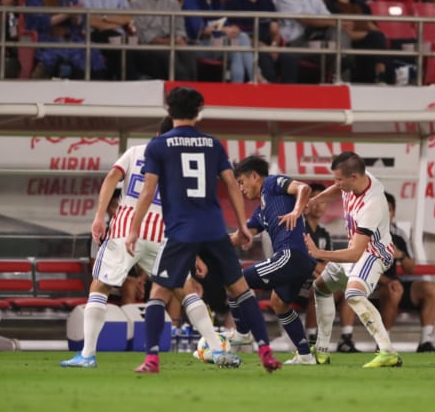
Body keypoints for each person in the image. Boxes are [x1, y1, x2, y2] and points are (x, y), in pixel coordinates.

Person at [125, 87, 281, 373]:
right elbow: (231, 184)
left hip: (181, 230)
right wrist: (242, 225)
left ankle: (152, 358)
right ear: (199, 112)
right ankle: (266, 352)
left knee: (159, 291)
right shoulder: (213, 144)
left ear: (168, 110)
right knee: (240, 290)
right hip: (214, 228)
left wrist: (134, 229)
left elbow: (148, 191)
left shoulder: (157, 146)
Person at [61, 117, 235, 369]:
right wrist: (194, 253)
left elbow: (112, 177)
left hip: (125, 229)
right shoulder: (182, 163)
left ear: (157, 134)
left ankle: (87, 355)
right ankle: (217, 350)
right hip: (163, 234)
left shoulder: (136, 152)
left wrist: (99, 216)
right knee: (185, 291)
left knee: (100, 287)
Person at [304, 151, 402, 368]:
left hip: (374, 254)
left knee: (354, 294)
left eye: (339, 180)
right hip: (356, 250)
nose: (336, 184)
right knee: (320, 288)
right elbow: (337, 189)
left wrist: (319, 253)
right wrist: (315, 200)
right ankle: (321, 351)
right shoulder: (357, 180)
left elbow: (356, 254)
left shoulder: (372, 204)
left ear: (354, 177)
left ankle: (387, 352)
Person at [230, 155, 316, 364]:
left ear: (254, 176)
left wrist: (296, 212)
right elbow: (240, 236)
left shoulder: (272, 183)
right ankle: (305, 355)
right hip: (299, 262)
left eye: (241, 182)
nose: (241, 189)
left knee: (235, 282)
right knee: (279, 303)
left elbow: (304, 188)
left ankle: (242, 333)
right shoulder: (261, 211)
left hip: (290, 255)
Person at [376, 192, 435, 353]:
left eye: (388, 210)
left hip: (394, 284)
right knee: (394, 290)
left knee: (431, 288)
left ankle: (426, 342)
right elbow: (361, 269)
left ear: (393, 213)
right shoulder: (365, 234)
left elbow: (411, 268)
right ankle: (383, 344)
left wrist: (400, 255)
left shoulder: (399, 235)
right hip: (371, 286)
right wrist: (388, 281)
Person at [302, 182, 359, 353]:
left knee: (348, 290)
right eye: (315, 200)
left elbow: (328, 260)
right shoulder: (298, 228)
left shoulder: (324, 234)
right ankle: (311, 339)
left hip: (318, 277)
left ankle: (346, 339)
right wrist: (317, 267)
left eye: (323, 201)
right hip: (298, 282)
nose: (319, 205)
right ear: (306, 203)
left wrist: (323, 268)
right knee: (317, 289)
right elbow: (298, 258)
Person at [274, 0, 352, 83]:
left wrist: (339, 24)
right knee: (336, 51)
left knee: (338, 35)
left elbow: (329, 19)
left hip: (310, 41)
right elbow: (303, 19)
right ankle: (341, 65)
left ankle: (342, 65)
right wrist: (335, 22)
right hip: (292, 45)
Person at [26, 0, 107, 79]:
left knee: (91, 53)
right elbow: (41, 22)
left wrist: (76, 16)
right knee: (70, 55)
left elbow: (79, 22)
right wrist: (67, 14)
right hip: (48, 37)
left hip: (70, 36)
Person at [182, 0, 256, 83]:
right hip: (198, 45)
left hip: (217, 42)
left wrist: (232, 29)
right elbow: (199, 29)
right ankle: (255, 79)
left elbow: (225, 23)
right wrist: (224, 30)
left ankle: (241, 85)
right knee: (239, 43)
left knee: (239, 42)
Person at [224, 0, 295, 83]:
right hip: (248, 46)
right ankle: (266, 89)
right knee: (265, 60)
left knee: (290, 58)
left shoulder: (266, 0)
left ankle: (289, 90)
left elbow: (275, 30)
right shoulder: (233, 0)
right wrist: (260, 45)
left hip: (268, 45)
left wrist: (274, 46)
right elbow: (236, 33)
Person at [322, 0, 389, 84]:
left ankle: (382, 77)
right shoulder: (329, 6)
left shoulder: (363, 7)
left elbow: (372, 26)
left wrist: (380, 35)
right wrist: (371, 35)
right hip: (345, 41)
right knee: (375, 38)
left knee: (380, 39)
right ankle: (381, 75)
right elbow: (337, 32)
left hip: (368, 40)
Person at [129, 0, 198, 81]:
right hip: (149, 45)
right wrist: (167, 42)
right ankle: (183, 85)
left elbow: (180, 27)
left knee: (188, 52)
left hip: (171, 41)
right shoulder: (136, 2)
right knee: (167, 54)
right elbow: (142, 34)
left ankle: (194, 86)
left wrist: (179, 38)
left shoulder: (173, 2)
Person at [77, 0, 134, 80]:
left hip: (118, 35)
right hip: (94, 34)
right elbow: (91, 21)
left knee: (131, 47)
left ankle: (127, 83)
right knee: (121, 48)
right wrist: (116, 23)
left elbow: (127, 18)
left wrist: (104, 17)